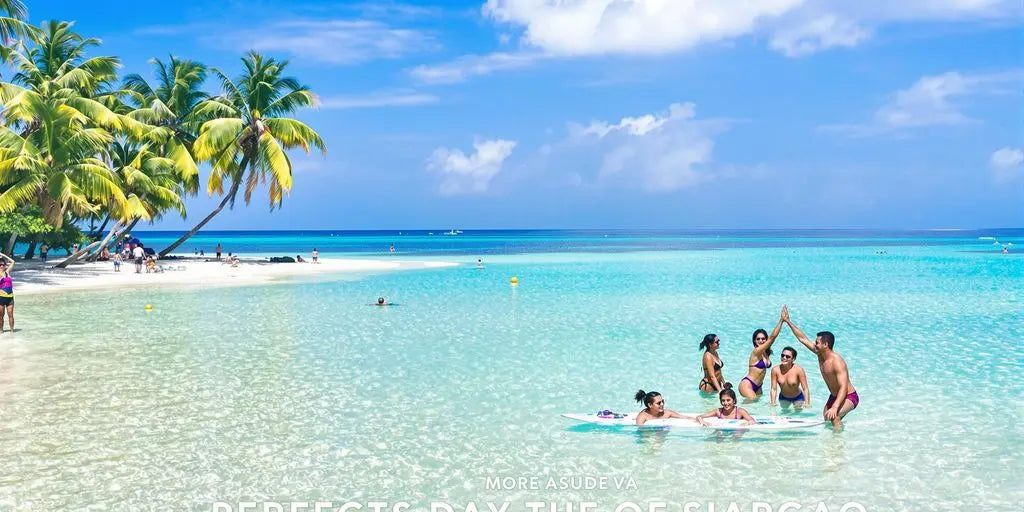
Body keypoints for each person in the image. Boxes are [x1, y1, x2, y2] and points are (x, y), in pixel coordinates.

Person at [781, 305, 859, 428]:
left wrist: (834, 407)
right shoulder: (820, 354)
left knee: (834, 417)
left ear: (825, 345)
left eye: (817, 342)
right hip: (834, 395)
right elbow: (802, 338)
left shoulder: (837, 362)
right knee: (826, 419)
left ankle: (838, 445)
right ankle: (838, 433)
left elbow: (843, 387)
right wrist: (787, 321)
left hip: (849, 395)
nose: (815, 344)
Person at [739, 321, 783, 399]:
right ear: (754, 341)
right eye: (758, 339)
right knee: (752, 405)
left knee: (757, 408)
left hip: (759, 386)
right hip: (748, 384)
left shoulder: (765, 353)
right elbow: (772, 338)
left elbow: (771, 340)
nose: (761, 341)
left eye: (763, 339)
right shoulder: (756, 352)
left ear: (766, 340)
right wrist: (781, 321)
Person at [0, 253, 14, 333]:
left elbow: (13, 262)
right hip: (1, 297)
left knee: (11, 315)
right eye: (0, 265)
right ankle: (1, 331)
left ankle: (12, 332)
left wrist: (3, 255)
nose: (1, 266)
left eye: (3, 264)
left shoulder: (7, 272)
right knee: (1, 316)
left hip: (10, 297)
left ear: (5, 265)